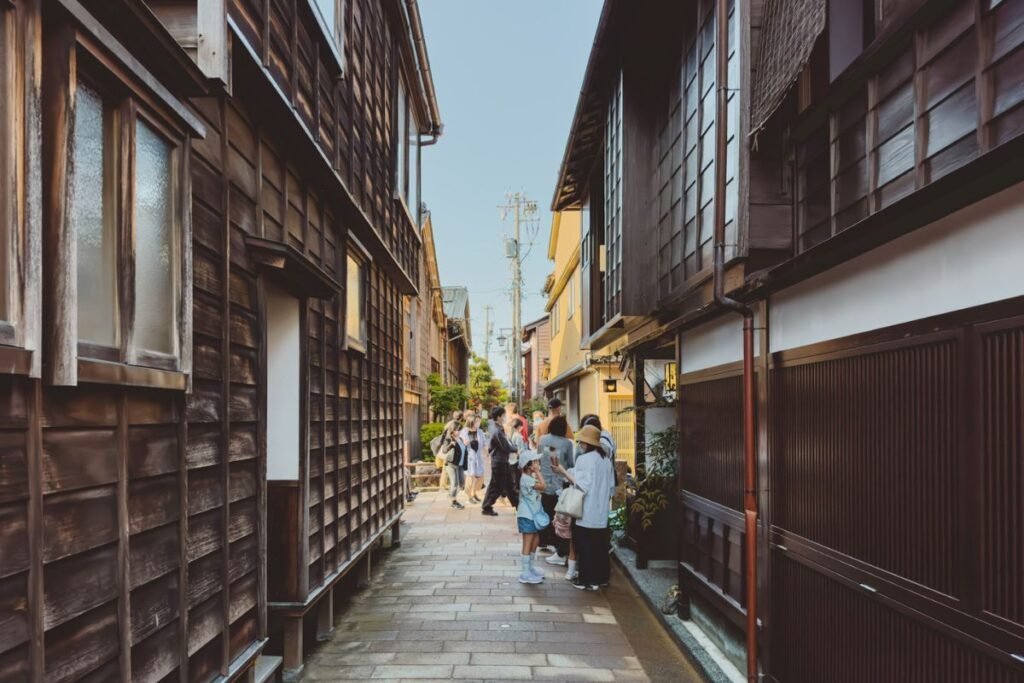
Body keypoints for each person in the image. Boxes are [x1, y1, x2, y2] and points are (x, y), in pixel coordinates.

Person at [551, 425, 616, 591]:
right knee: (600, 546)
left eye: (581, 442)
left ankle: (587, 580)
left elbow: (582, 485)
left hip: (586, 511)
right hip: (601, 512)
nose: (579, 445)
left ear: (586, 443)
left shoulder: (585, 459)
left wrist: (563, 472)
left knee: (585, 545)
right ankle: (601, 578)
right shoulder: (606, 460)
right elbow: (611, 486)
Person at [537, 416, 575, 566]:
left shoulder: (542, 440)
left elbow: (540, 458)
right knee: (559, 515)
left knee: (545, 510)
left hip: (545, 482)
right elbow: (571, 464)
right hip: (560, 484)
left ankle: (544, 540)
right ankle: (558, 544)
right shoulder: (567, 443)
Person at [516, 451, 548, 584]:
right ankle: (525, 572)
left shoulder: (530, 477)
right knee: (528, 542)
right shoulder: (526, 479)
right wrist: (538, 472)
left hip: (532, 515)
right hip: (527, 516)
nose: (537, 463)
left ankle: (530, 568)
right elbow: (543, 486)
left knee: (535, 540)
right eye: (535, 462)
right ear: (528, 466)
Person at [481, 406, 518, 516]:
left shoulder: (497, 427)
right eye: (503, 415)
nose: (505, 417)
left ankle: (518, 505)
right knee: (496, 486)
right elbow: (505, 446)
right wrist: (516, 449)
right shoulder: (497, 430)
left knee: (509, 485)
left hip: (501, 460)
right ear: (498, 417)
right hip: (499, 461)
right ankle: (486, 507)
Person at [460, 414, 486, 504]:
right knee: (470, 478)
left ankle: (474, 493)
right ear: (471, 421)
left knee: (480, 477)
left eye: (479, 421)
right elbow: (462, 443)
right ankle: (469, 496)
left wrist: (487, 452)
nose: (478, 423)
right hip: (469, 457)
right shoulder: (464, 432)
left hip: (478, 457)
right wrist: (465, 442)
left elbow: (484, 444)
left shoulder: (480, 432)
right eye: (476, 421)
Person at [442, 419, 467, 510]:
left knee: (462, 484)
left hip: (459, 465)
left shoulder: (460, 439)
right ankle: (454, 502)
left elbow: (463, 451)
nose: (459, 431)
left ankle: (451, 495)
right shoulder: (449, 439)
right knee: (455, 484)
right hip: (451, 464)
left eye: (460, 429)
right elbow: (444, 451)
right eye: (457, 429)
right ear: (453, 430)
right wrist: (451, 445)